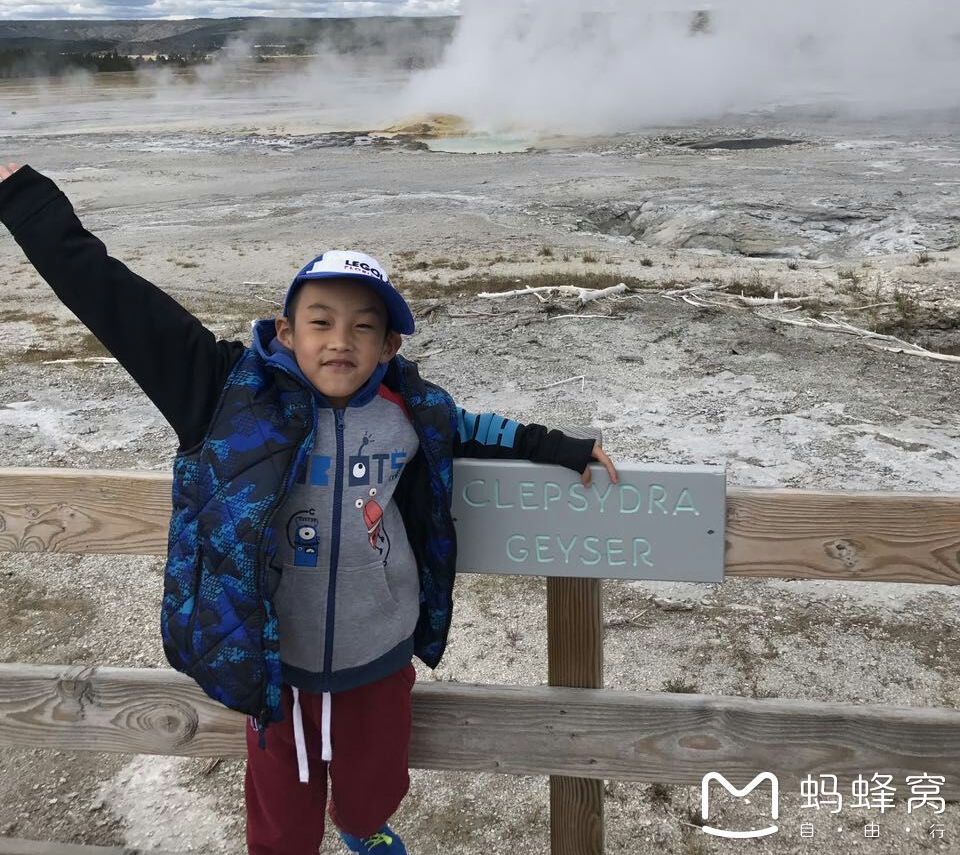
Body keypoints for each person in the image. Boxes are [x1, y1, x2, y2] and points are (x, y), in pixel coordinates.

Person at [0, 162, 617, 855]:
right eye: (320, 321)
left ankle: (363, 827)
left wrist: (564, 448)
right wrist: (23, 198)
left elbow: (479, 430)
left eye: (364, 327)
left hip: (379, 654)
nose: (340, 340)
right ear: (286, 332)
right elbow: (113, 298)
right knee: (281, 814)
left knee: (375, 781)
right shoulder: (224, 393)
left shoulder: (411, 408)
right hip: (276, 663)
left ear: (390, 346)